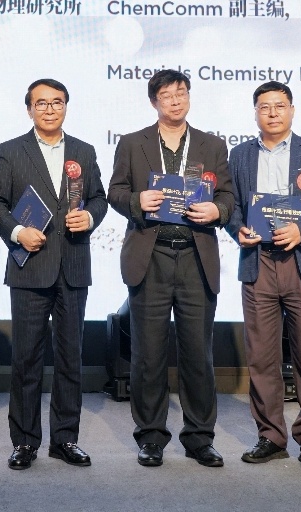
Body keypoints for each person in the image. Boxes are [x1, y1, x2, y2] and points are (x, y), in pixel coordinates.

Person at [107, 69, 236, 468]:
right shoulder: (133, 143)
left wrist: (218, 210)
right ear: (154, 102)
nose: (176, 101)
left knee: (198, 353)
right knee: (148, 354)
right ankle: (150, 436)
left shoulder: (212, 144)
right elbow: (115, 191)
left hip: (196, 257)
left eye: (181, 93)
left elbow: (228, 195)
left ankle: (199, 438)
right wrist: (137, 201)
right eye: (167, 95)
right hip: (152, 256)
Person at [226, 82, 301, 473]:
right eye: (265, 107)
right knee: (262, 358)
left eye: (280, 106)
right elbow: (230, 203)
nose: (273, 113)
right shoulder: (240, 154)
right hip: (258, 261)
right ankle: (271, 437)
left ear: (292, 110)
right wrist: (236, 228)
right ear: (255, 113)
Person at [0, 78, 108, 470]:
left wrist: (89, 216)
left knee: (70, 358)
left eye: (56, 102)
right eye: (40, 103)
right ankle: (24, 442)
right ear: (29, 109)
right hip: (30, 265)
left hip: (73, 266)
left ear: (66, 107)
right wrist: (16, 232)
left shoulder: (84, 151)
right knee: (26, 358)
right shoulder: (11, 150)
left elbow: (98, 198)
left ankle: (65, 439)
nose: (49, 109)